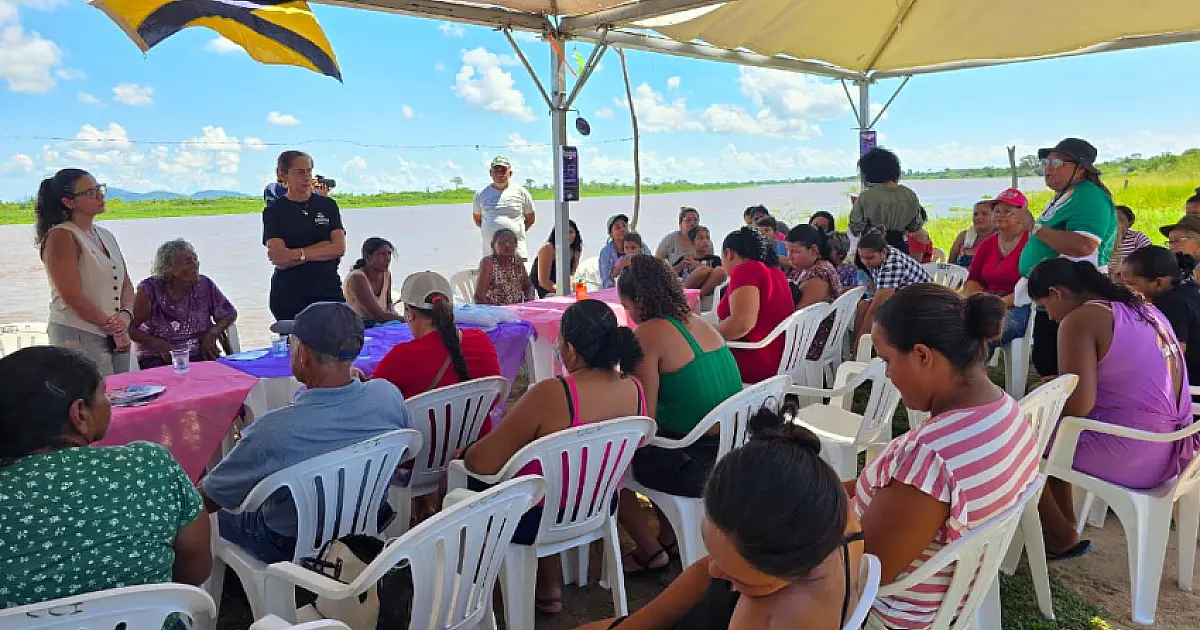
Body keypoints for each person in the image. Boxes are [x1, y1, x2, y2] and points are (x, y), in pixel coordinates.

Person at [850, 285, 1039, 629]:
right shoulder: (1007, 410)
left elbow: (864, 573)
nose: (888, 374)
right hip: (954, 592)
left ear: (923, 356)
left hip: (897, 611)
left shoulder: (927, 458)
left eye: (887, 360)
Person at [578, 410, 864, 630]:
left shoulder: (771, 616)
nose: (714, 570)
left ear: (791, 569)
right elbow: (704, 575)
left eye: (738, 577)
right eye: (713, 553)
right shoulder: (827, 505)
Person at [457, 299, 646, 615]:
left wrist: (464, 455)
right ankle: (549, 583)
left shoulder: (551, 394)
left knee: (471, 478)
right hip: (598, 504)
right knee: (545, 477)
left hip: (538, 517)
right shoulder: (634, 388)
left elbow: (482, 463)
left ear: (570, 349)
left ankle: (474, 586)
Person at [0, 346, 212, 608]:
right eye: (104, 394)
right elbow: (195, 572)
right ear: (79, 414)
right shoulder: (148, 465)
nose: (109, 401)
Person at [201, 302, 412, 563]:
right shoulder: (386, 394)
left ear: (303, 354)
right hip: (368, 519)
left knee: (209, 511)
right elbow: (404, 452)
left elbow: (210, 499)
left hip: (290, 543)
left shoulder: (273, 431)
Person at [1028, 258, 1197, 559]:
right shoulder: (1143, 308)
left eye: (1045, 307)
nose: (1050, 319)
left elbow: (1079, 404)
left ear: (1057, 293)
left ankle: (1060, 534)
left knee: (1017, 440)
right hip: (1174, 449)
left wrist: (1047, 394)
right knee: (1055, 437)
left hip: (1134, 454)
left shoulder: (1081, 319)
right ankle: (1064, 525)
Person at [615, 255, 743, 575]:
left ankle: (649, 549)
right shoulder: (697, 322)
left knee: (606, 465)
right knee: (661, 437)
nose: (628, 315)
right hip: (730, 448)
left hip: (693, 461)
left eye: (627, 306)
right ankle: (670, 536)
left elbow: (644, 417)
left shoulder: (647, 334)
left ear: (640, 301)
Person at [1016, 138, 1117, 378]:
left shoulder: (1089, 197)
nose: (1048, 168)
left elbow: (1084, 245)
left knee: (1064, 368)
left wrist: (1035, 228)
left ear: (1080, 168)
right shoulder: (1068, 194)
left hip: (1071, 298)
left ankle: (1068, 414)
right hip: (1055, 295)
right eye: (1046, 161)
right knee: (1047, 360)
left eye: (1058, 162)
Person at [35, 168, 135, 376]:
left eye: (99, 189)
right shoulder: (61, 236)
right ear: (69, 202)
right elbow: (72, 296)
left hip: (115, 332)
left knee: (124, 394)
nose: (100, 195)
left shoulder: (106, 235)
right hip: (79, 333)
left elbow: (125, 283)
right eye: (90, 192)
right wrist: (114, 327)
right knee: (92, 398)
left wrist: (125, 316)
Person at [374, 271, 502, 400]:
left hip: (421, 421)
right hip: (477, 420)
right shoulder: (481, 339)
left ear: (410, 313)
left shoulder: (401, 356)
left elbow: (371, 402)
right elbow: (495, 398)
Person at [263, 150, 347, 321]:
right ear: (282, 174)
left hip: (328, 291)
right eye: (300, 172)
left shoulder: (328, 205)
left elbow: (339, 248)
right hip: (290, 296)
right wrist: (323, 247)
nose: (307, 177)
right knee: (297, 346)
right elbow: (279, 259)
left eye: (309, 171)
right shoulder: (273, 211)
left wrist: (297, 254)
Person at [129, 239, 237, 369]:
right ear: (169, 267)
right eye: (187, 262)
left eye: (195, 259)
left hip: (201, 355)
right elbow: (130, 329)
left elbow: (229, 314)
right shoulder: (149, 290)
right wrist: (159, 344)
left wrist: (213, 333)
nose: (195, 265)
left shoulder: (204, 285)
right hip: (159, 359)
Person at [716, 227, 794, 384]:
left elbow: (741, 324)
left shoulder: (745, 271)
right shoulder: (775, 271)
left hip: (756, 360)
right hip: (781, 356)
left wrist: (703, 336)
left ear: (729, 253)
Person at [1123, 247, 1200, 388]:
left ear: (1159, 282)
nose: (1125, 290)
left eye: (1131, 285)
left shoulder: (1170, 303)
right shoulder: (1190, 288)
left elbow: (1172, 356)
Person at [963, 189, 1032, 346]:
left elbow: (1031, 286)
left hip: (1019, 304)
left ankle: (970, 369)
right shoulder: (987, 243)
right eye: (997, 211)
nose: (1000, 215)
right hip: (989, 299)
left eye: (1007, 212)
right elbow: (974, 278)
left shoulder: (1032, 244)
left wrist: (997, 304)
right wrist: (976, 302)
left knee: (985, 333)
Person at [852, 232, 932, 346]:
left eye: (870, 258)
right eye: (862, 258)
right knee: (862, 306)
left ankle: (862, 348)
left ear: (883, 253)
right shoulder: (882, 252)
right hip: (902, 297)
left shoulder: (892, 266)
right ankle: (857, 347)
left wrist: (859, 345)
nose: (865, 262)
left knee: (874, 312)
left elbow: (876, 309)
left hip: (920, 304)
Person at [847, 148, 925, 252]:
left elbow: (855, 229)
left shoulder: (866, 196)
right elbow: (915, 226)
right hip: (900, 250)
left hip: (871, 252)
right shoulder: (909, 194)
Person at [786, 225, 843, 361]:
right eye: (788, 251)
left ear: (813, 250)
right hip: (813, 332)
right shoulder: (808, 267)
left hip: (814, 339)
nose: (789, 257)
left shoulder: (818, 274)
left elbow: (801, 316)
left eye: (795, 251)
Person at [473, 156, 536, 260]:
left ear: (510, 173)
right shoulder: (480, 194)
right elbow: (478, 219)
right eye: (496, 170)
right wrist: (492, 230)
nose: (499, 173)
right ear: (490, 173)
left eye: (503, 170)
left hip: (517, 252)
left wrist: (515, 232)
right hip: (490, 253)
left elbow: (530, 219)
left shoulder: (522, 192)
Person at [657, 207, 722, 295]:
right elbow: (660, 264)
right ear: (680, 223)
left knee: (718, 271)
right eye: (688, 220)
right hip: (683, 283)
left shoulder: (712, 256)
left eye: (695, 220)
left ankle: (696, 297)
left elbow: (716, 273)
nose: (692, 223)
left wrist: (697, 265)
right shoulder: (673, 243)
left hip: (703, 287)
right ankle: (683, 296)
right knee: (703, 270)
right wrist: (681, 266)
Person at [343, 237, 403, 324]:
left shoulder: (386, 274)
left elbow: (388, 306)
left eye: (389, 253)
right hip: (359, 328)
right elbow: (379, 315)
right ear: (367, 257)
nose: (387, 258)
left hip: (381, 326)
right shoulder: (357, 278)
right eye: (382, 254)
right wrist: (408, 320)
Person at [475, 228, 536, 305]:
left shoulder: (517, 261)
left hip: (516, 310)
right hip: (494, 312)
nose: (507, 245)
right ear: (493, 245)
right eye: (502, 242)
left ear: (516, 245)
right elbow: (479, 297)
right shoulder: (488, 263)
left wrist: (529, 300)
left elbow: (528, 286)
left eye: (511, 242)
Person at [531, 220, 583, 298]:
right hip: (540, 291)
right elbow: (543, 282)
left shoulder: (576, 250)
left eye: (571, 232)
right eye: (564, 232)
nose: (568, 235)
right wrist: (562, 292)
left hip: (561, 291)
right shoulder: (548, 248)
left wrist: (571, 289)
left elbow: (571, 275)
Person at [600, 213, 652, 289]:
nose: (622, 229)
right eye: (617, 227)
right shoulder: (605, 253)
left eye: (624, 226)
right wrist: (620, 266)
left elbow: (651, 269)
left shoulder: (641, 246)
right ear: (611, 234)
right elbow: (606, 282)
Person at [948, 201, 997, 267]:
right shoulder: (964, 236)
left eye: (984, 214)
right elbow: (950, 264)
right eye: (975, 214)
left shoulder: (1001, 237)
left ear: (995, 216)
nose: (979, 217)